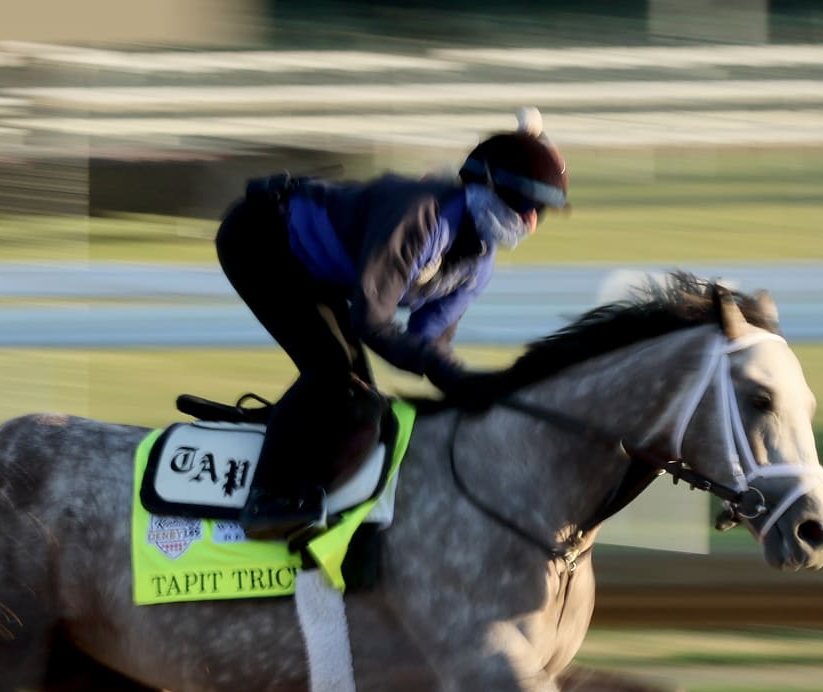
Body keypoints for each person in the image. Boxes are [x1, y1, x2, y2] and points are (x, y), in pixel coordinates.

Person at [214, 107, 568, 540]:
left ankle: (319, 491)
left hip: (315, 272)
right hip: (260, 239)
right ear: (487, 186)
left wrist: (471, 390)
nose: (531, 221)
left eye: (541, 212)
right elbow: (372, 321)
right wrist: (456, 378)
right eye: (526, 205)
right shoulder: (421, 217)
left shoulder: (478, 265)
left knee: (361, 398)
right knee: (330, 372)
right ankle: (268, 499)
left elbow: (428, 345)